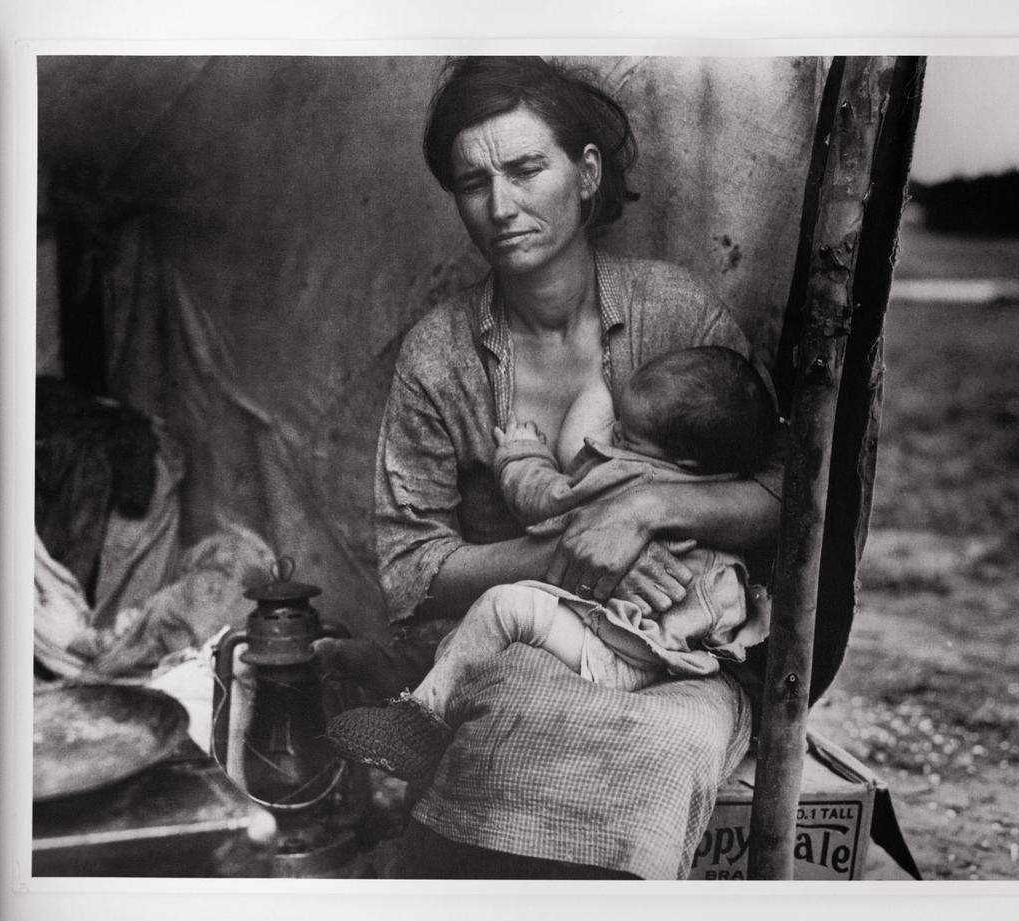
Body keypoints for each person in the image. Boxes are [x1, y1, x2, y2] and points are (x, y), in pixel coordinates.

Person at [318, 55, 783, 879]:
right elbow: (411, 571)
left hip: (679, 658)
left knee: (665, 749)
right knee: (507, 739)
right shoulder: (440, 353)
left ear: (587, 173)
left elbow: (783, 499)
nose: (501, 206)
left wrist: (643, 513)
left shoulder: (677, 314)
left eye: (527, 168)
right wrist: (566, 553)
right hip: (523, 648)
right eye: (474, 183)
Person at [328, 346, 779, 784]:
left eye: (625, 436)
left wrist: (522, 453)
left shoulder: (633, 475)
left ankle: (419, 726)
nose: (611, 435)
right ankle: (410, 680)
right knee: (496, 634)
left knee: (503, 608)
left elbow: (546, 500)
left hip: (626, 656)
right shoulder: (718, 490)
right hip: (664, 652)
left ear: (682, 461)